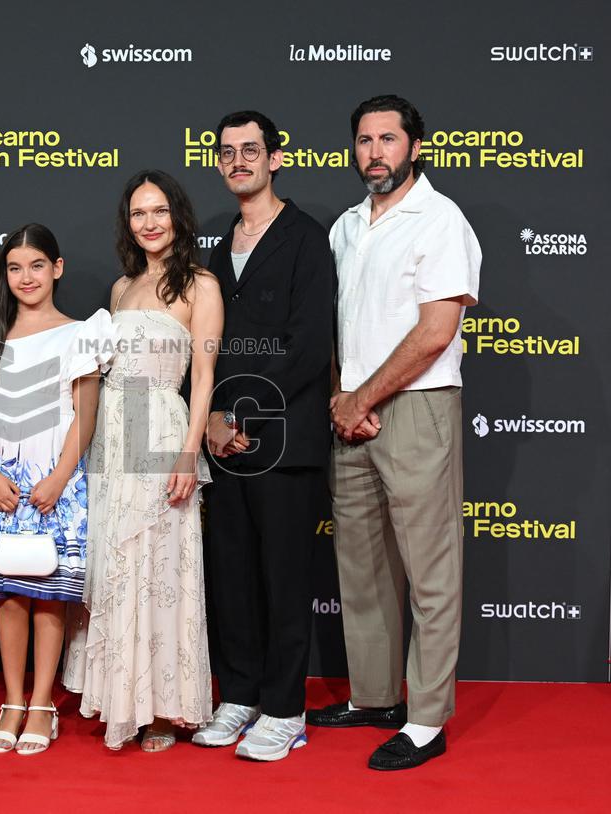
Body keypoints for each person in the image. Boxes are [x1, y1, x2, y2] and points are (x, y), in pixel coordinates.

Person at [307, 95, 481, 771]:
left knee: (430, 572)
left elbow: (436, 331)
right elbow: (336, 328)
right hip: (351, 414)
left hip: (415, 408)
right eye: (364, 140)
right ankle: (376, 697)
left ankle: (427, 719)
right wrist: (341, 398)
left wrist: (363, 398)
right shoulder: (346, 227)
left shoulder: (441, 220)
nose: (374, 152)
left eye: (387, 139)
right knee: (363, 566)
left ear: (415, 146)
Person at [63, 170, 221, 751]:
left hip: (161, 428)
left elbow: (203, 378)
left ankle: (161, 710)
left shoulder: (201, 285)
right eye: (138, 213)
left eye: (159, 211)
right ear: (127, 223)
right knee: (117, 560)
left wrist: (189, 452)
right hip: (113, 431)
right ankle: (120, 697)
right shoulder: (120, 288)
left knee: (160, 566)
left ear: (177, 215)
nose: (149, 223)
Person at [197, 111, 336, 761]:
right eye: (227, 152)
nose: (239, 161)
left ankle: (284, 710)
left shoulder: (306, 239)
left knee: (284, 580)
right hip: (223, 445)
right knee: (232, 577)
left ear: (275, 159)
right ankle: (240, 695)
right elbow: (206, 348)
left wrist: (243, 417)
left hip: (284, 442)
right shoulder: (217, 248)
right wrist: (211, 420)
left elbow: (308, 346)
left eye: (251, 150)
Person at [0, 223, 112, 755]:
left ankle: (43, 702)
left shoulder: (82, 333)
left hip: (56, 482)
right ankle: (12, 700)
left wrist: (58, 477)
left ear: (57, 268)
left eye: (37, 266)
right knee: (9, 593)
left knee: (48, 593)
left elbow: (84, 416)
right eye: (15, 268)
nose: (26, 277)